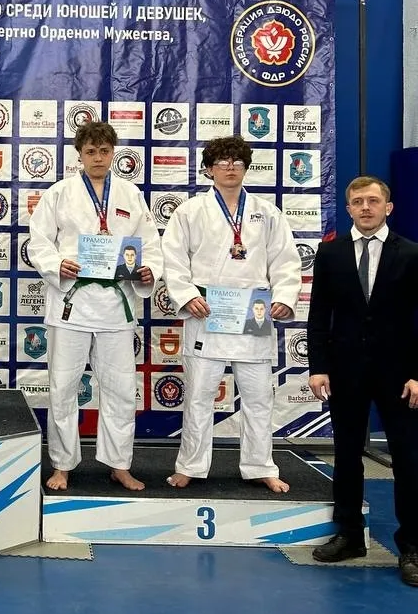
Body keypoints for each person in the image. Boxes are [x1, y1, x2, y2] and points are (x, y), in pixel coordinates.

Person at [28, 120, 163, 492]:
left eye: (104, 151)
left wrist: (150, 270)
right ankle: (62, 464)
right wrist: (56, 264)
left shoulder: (130, 194)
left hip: (115, 305)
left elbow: (150, 244)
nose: (98, 158)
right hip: (71, 303)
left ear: (113, 153)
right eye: (91, 151)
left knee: (120, 389)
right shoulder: (60, 193)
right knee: (63, 388)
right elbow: (38, 241)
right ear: (80, 155)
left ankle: (119, 464)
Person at [161, 135, 301, 493]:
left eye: (237, 162)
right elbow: (173, 260)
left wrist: (285, 296)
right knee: (199, 396)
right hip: (207, 312)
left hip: (253, 313)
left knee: (258, 398)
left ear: (246, 167)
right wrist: (186, 295)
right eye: (222, 162)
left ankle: (260, 466)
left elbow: (285, 260)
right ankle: (191, 465)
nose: (230, 167)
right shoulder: (190, 212)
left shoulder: (267, 213)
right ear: (209, 169)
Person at [307, 176, 418, 586]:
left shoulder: (412, 253)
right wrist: (318, 367)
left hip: (399, 375)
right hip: (345, 371)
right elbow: (319, 314)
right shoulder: (330, 253)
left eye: (373, 200)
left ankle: (412, 546)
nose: (365, 207)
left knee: (408, 459)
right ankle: (350, 535)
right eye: (358, 201)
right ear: (348, 208)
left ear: (389, 207)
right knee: (347, 454)